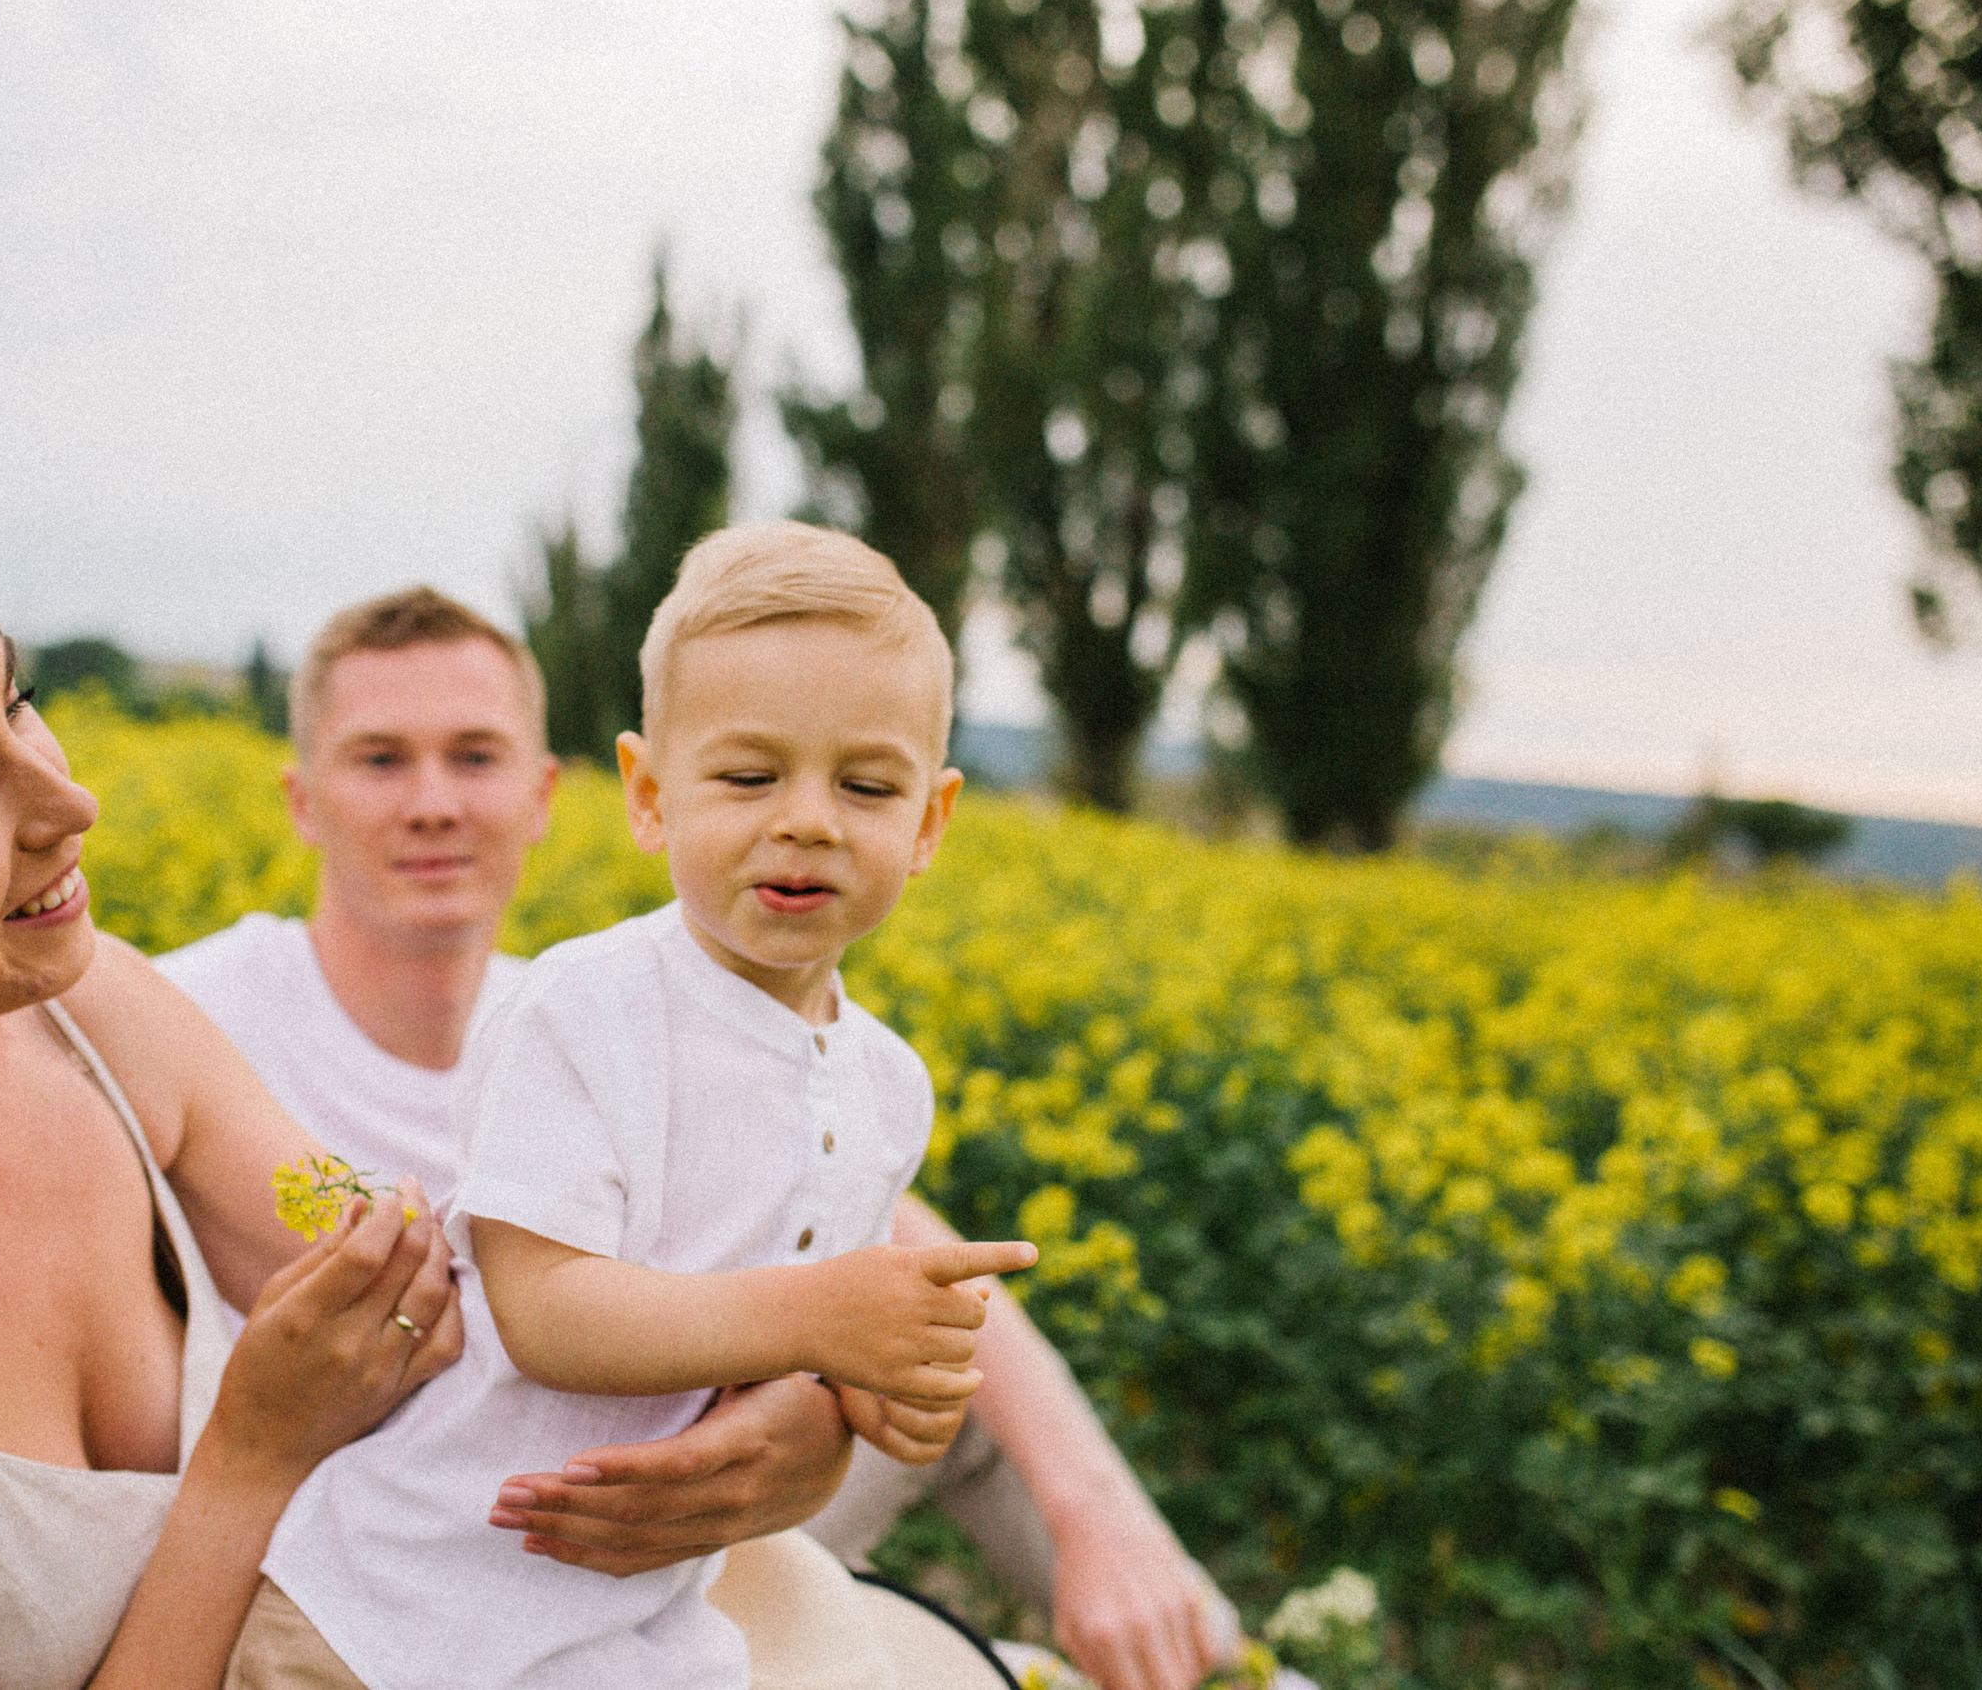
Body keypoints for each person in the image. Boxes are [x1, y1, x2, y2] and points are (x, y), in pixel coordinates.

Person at [0, 436, 820, 1690]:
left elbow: (440, 1323)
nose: (72, 804)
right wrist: (251, 1452)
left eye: (20, 702)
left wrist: (790, 1413)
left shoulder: (90, 1018)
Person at [161, 585, 1245, 1690]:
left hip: (636, 1578)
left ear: (547, 794)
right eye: (381, 759)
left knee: (953, 1379)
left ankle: (1213, 1664)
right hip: (400, 1575)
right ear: (299, 799)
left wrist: (831, 1424)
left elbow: (879, 1256)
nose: (433, 802)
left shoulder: (692, 1021)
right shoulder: (196, 1014)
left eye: (476, 757)